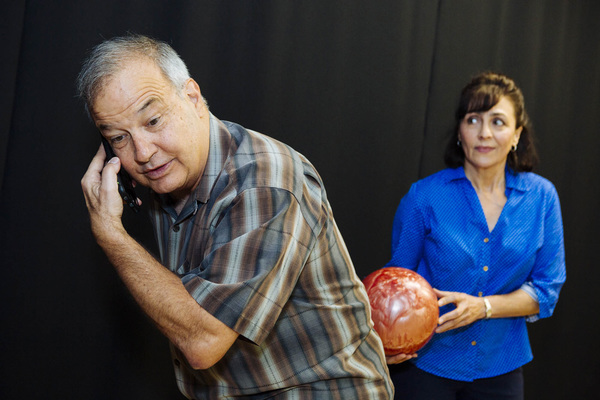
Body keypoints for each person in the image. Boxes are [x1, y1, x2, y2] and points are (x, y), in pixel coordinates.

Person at [78, 34, 393, 399]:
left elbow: (203, 340)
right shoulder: (167, 173)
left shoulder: (265, 183)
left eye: (153, 120)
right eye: (118, 138)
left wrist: (111, 234)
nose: (143, 152)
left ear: (192, 98)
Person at [384, 72, 566, 399]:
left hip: (502, 368)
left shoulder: (542, 198)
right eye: (473, 120)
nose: (484, 133)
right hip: (426, 365)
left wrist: (483, 307)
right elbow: (395, 285)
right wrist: (388, 340)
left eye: (498, 122)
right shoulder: (424, 197)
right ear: (459, 132)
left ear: (516, 136)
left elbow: (546, 290)